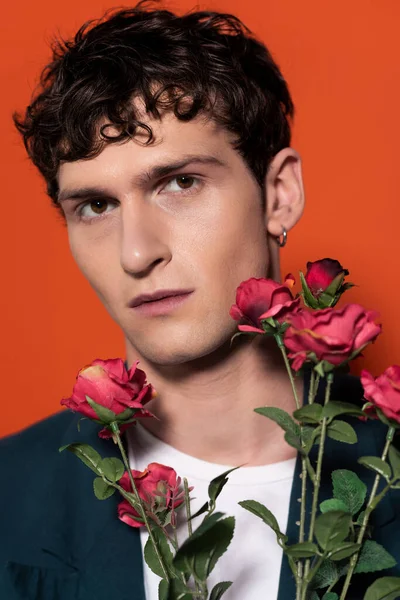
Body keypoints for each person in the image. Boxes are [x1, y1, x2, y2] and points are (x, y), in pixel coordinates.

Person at [1, 2, 399, 599]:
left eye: (179, 183)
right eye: (96, 206)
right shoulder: (12, 496)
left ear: (280, 195)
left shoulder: (384, 482)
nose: (137, 254)